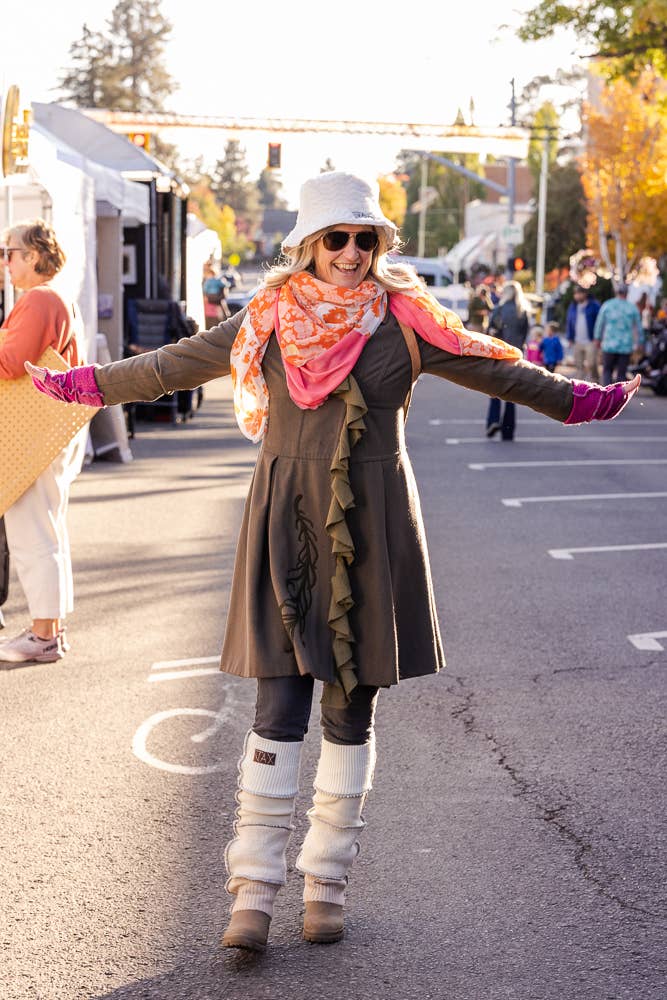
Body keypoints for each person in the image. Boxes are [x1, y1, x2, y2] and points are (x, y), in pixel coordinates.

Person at [25, 171, 641, 952]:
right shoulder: (272, 316)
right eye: (335, 239)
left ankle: (328, 879)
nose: (351, 253)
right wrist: (83, 386)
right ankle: (252, 888)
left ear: (378, 245)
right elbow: (171, 366)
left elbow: (497, 370)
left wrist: (583, 399)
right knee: (277, 706)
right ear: (308, 247)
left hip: (375, 525)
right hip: (286, 521)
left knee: (351, 707)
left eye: (364, 239)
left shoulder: (408, 322)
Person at [0, 219, 89, 665]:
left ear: (33, 256)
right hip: (52, 428)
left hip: (34, 433)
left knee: (32, 532)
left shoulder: (37, 298)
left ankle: (42, 636)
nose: (5, 261)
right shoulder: (56, 296)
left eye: (10, 252)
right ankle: (50, 630)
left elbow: (12, 361)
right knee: (48, 531)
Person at [485, 280, 530, 440]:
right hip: (516, 355)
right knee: (512, 395)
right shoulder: (522, 311)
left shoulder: (499, 309)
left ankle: (493, 420)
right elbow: (525, 334)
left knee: (494, 390)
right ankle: (508, 430)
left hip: (500, 353)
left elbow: (490, 331)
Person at [594, 283, 643, 385]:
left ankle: (606, 395)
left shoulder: (607, 305)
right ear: (627, 293)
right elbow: (638, 327)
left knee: (607, 371)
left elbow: (599, 323)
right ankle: (619, 397)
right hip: (625, 346)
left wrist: (597, 338)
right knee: (621, 373)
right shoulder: (632, 308)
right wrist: (640, 342)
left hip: (609, 345)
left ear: (616, 292)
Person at [566, 285, 601, 382]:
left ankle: (595, 381)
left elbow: (600, 322)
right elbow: (569, 321)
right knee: (578, 365)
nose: (576, 296)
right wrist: (570, 337)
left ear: (585, 294)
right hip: (577, 340)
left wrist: (599, 337)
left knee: (592, 363)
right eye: (575, 294)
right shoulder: (573, 306)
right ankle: (580, 385)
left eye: (578, 293)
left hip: (591, 340)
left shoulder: (594, 305)